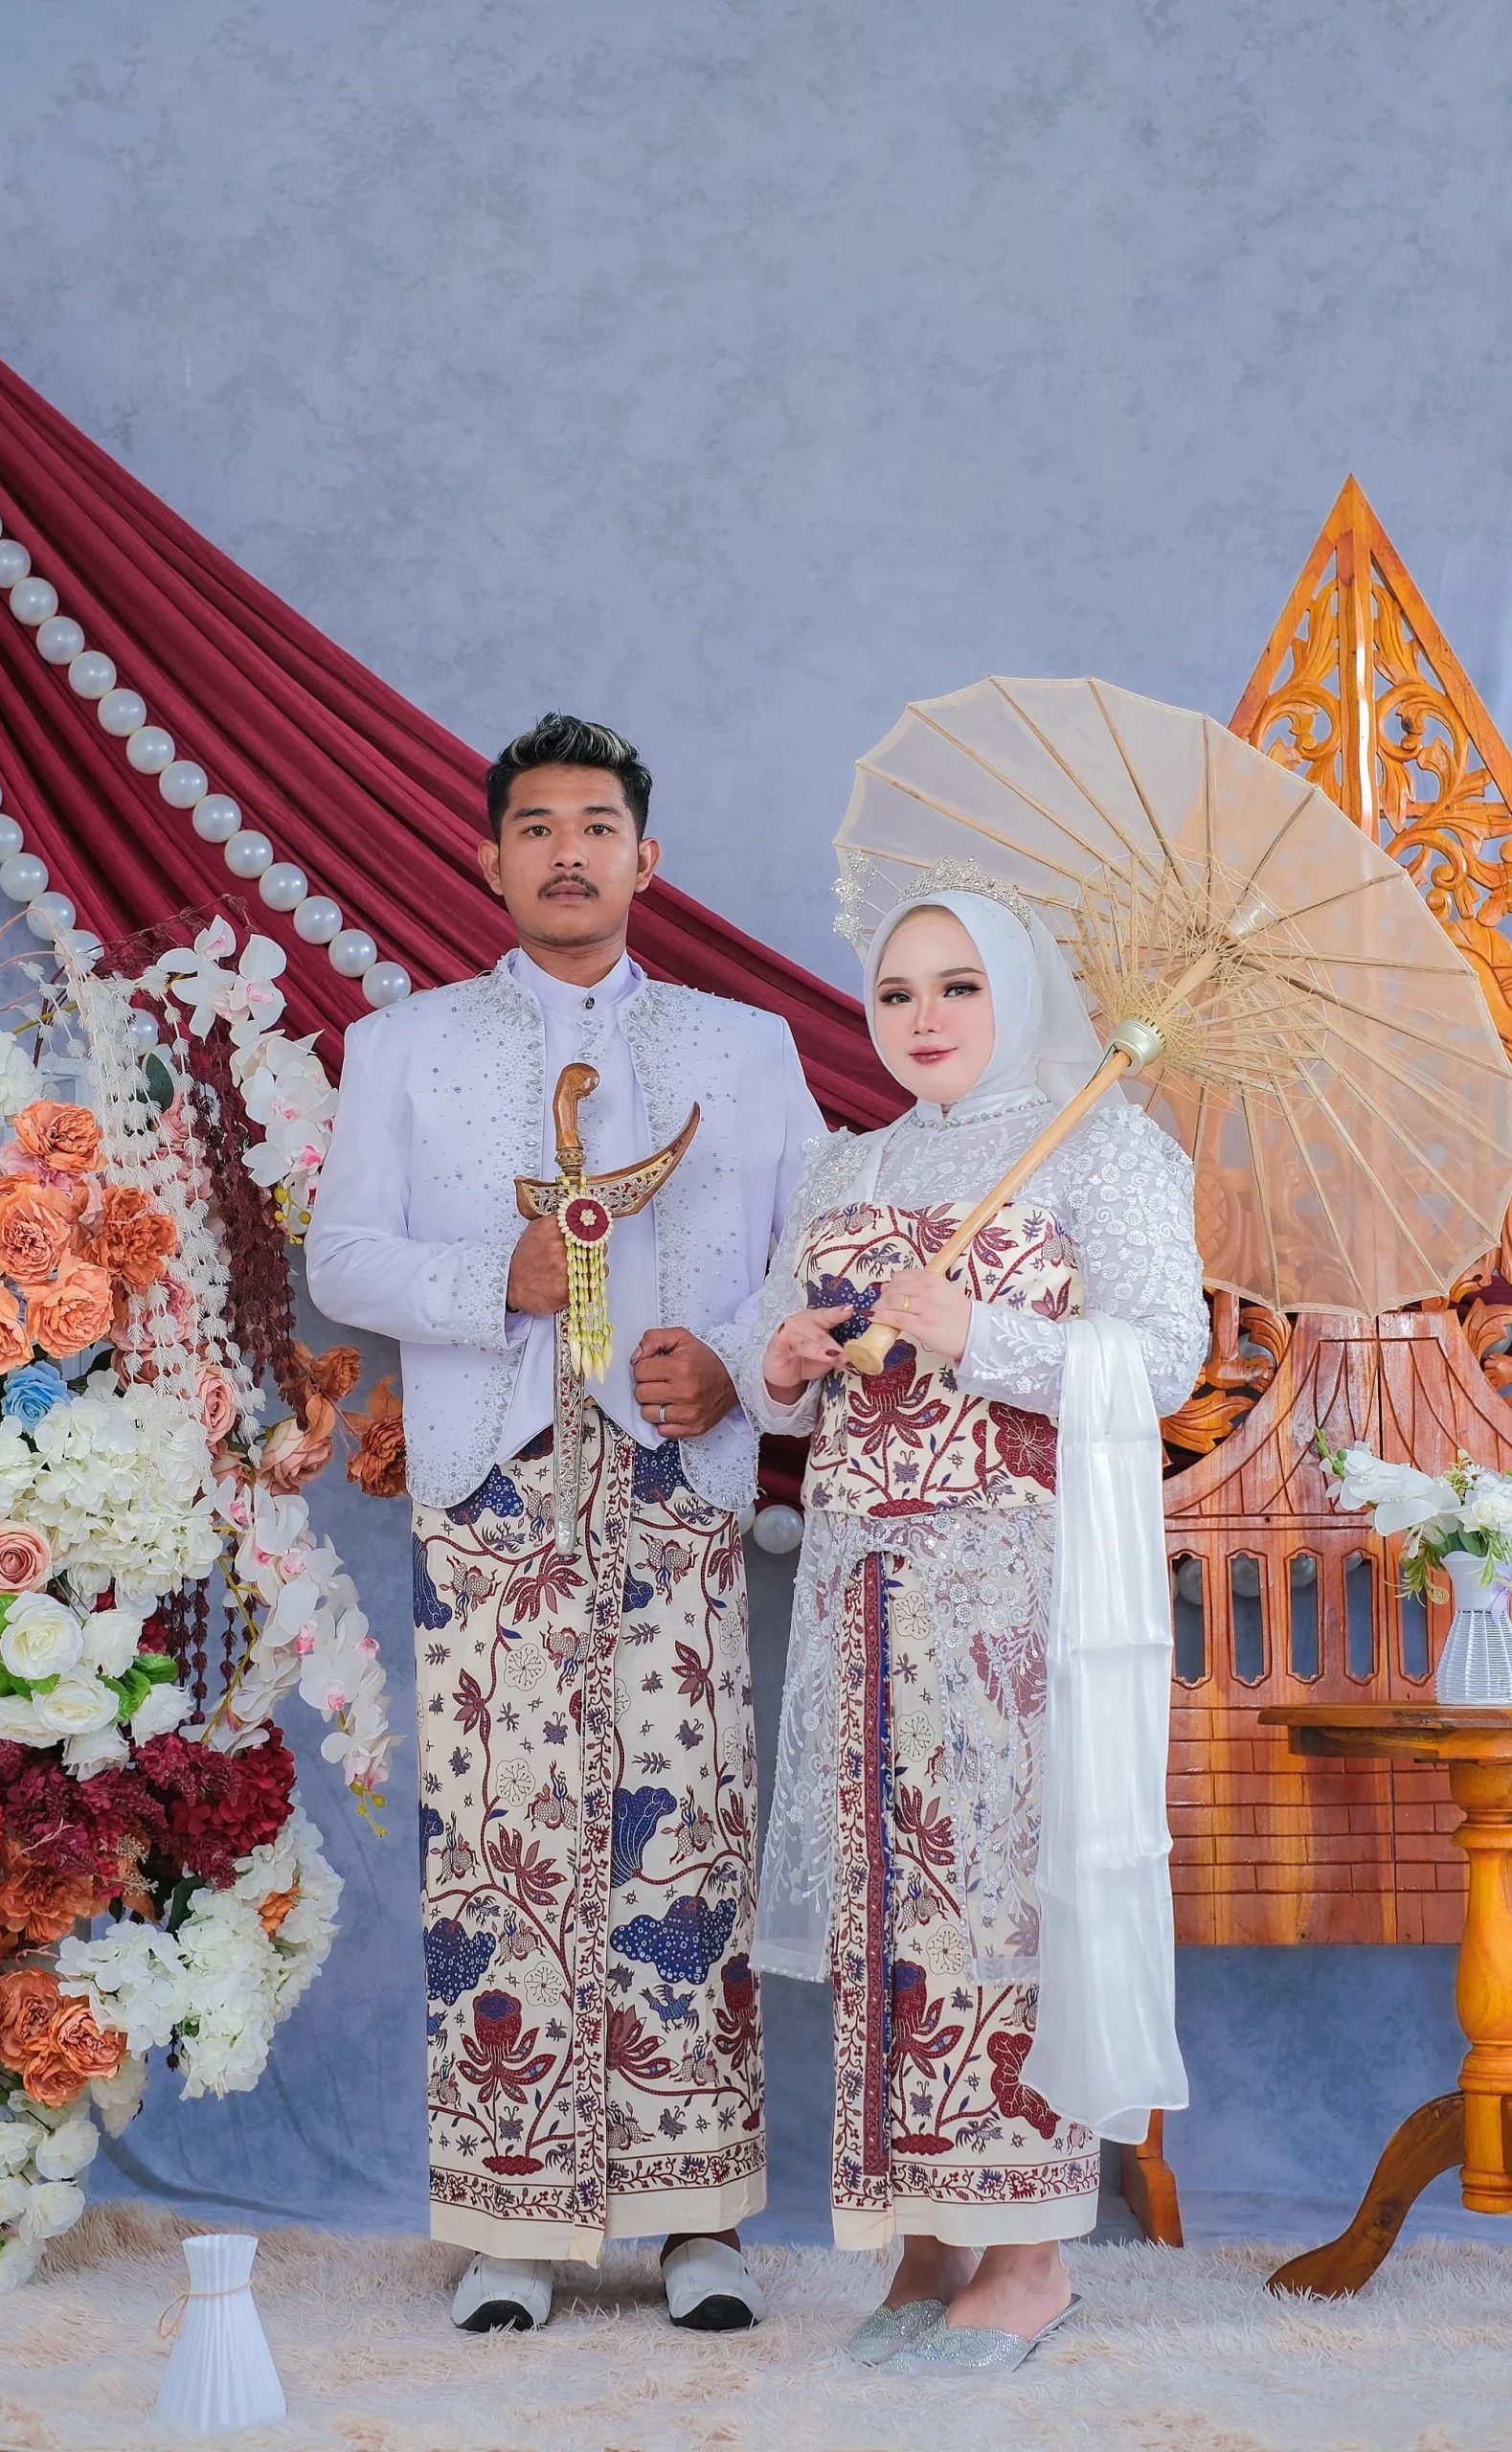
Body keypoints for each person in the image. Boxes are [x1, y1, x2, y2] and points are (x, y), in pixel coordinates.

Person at [305, 714, 823, 2333]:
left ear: (643, 859)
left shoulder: (742, 1047)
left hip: (674, 1476)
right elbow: (342, 1258)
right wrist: (496, 1281)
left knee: (683, 1828)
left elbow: (812, 1254)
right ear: (489, 860)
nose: (567, 852)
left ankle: (695, 2223)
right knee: (499, 1832)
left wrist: (730, 1361)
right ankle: (513, 2226)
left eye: (596, 826)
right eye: (535, 827)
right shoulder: (404, 1045)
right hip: (492, 1477)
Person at [738, 864, 1206, 2375]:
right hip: (863, 1591)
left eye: (958, 987)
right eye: (895, 991)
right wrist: (785, 1361)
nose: (922, 1017)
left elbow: (1167, 1357)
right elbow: (784, 1375)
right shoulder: (847, 1168)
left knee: (1000, 1900)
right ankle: (925, 2239)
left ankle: (1028, 2256)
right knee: (889, 1906)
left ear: (1018, 994)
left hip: (1014, 1595)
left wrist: (979, 1332)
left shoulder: (1103, 1143)